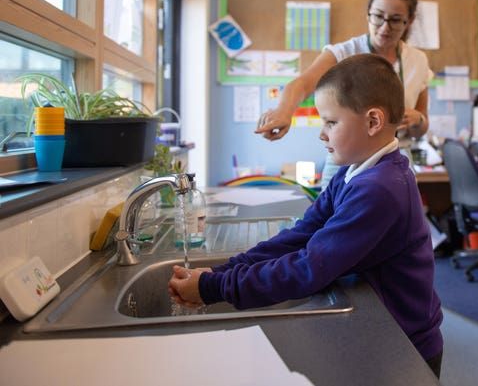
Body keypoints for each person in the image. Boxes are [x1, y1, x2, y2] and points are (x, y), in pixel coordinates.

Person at [169, 54, 444, 377]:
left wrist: (214, 288)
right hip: (378, 330)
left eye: (330, 122)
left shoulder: (380, 189)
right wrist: (224, 270)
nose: (322, 134)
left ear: (372, 122)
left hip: (402, 345)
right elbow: (303, 233)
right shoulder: (353, 172)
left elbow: (309, 267)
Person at [254, 0, 433, 188]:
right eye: (377, 16)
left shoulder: (418, 61)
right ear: (368, 13)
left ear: (409, 20)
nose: (385, 27)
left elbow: (423, 125)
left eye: (395, 20)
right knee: (332, 216)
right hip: (346, 161)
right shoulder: (344, 52)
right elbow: (302, 84)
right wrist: (283, 111)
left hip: (395, 160)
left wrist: (418, 121)